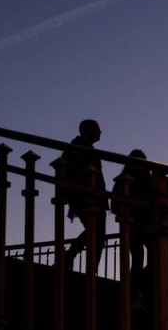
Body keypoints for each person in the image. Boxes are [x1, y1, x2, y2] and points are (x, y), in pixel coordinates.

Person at [62, 119, 109, 272]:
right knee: (97, 234)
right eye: (97, 128)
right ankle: (87, 266)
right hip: (87, 198)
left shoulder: (80, 147)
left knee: (95, 233)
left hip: (92, 197)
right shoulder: (78, 148)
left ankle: (72, 258)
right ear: (88, 130)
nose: (100, 132)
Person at [111, 149, 151, 310]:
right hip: (144, 225)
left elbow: (114, 206)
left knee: (138, 260)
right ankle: (138, 292)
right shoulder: (147, 180)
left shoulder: (123, 181)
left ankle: (134, 293)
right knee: (147, 258)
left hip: (133, 226)